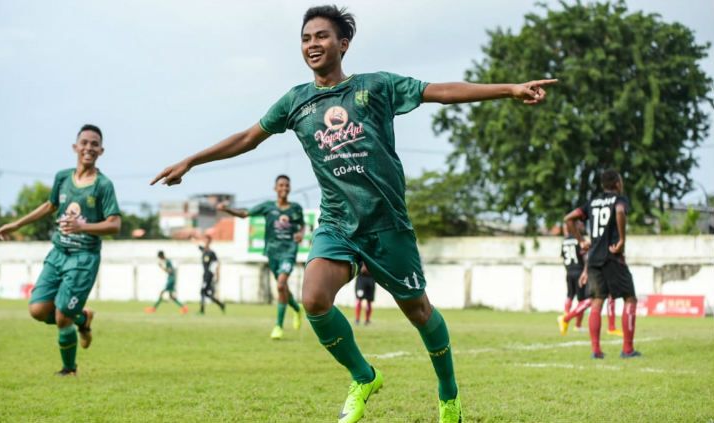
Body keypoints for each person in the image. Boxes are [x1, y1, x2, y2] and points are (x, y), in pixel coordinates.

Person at [150, 5, 556, 422]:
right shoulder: (296, 102)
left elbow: (442, 90)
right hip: (337, 223)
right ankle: (364, 376)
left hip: (386, 223)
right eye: (306, 38)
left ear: (343, 44)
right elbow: (248, 137)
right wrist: (192, 161)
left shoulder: (376, 87)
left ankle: (448, 394)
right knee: (313, 299)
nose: (312, 45)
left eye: (321, 36)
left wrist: (508, 89)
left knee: (419, 312)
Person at [0, 124, 121, 376]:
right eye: (84, 142)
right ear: (75, 147)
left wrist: (83, 225)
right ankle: (82, 318)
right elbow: (50, 205)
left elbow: (115, 224)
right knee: (38, 310)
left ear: (101, 151)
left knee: (62, 317)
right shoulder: (62, 178)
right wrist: (17, 223)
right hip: (58, 253)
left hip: (83, 258)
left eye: (94, 144)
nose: (89, 148)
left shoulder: (103, 185)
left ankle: (69, 369)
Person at [564, 169, 640, 359]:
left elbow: (569, 218)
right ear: (617, 184)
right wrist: (622, 239)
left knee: (597, 301)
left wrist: (581, 240)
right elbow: (621, 211)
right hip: (613, 256)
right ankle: (628, 349)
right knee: (630, 298)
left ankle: (596, 351)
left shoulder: (592, 203)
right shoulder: (619, 200)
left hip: (594, 259)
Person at [217, 175, 305, 339]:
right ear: (275, 188)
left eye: (287, 185)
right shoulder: (267, 207)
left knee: (280, 285)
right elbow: (244, 214)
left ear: (290, 188)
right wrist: (226, 209)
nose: (284, 188)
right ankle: (297, 308)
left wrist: (300, 233)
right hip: (272, 252)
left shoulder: (296, 208)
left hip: (289, 251)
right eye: (281, 185)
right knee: (282, 287)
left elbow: (303, 225)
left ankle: (278, 326)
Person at [557, 223, 590, 333]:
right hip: (579, 272)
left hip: (569, 272)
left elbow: (563, 256)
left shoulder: (564, 241)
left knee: (569, 295)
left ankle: (565, 317)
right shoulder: (579, 240)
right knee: (583, 300)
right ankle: (576, 324)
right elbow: (586, 257)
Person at [198, 235, 225, 314]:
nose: (205, 242)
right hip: (205, 274)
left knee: (202, 291)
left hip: (208, 275)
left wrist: (217, 275)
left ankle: (202, 310)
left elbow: (217, 264)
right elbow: (196, 244)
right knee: (206, 293)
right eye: (204, 240)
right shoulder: (204, 250)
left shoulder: (211, 253)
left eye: (207, 240)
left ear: (209, 242)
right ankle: (220, 304)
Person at [354, 261, 375, 325]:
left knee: (369, 301)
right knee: (359, 299)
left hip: (371, 279)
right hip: (361, 279)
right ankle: (357, 319)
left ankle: (367, 320)